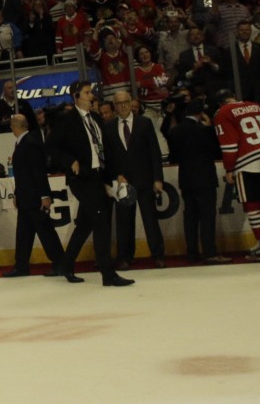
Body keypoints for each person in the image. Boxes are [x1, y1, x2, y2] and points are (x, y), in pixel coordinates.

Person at [45, 81, 133, 286]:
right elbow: (51, 146)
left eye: (91, 92)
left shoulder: (95, 118)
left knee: (85, 224)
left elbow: (106, 149)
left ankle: (66, 265)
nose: (91, 95)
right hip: (81, 178)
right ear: (76, 96)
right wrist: (69, 161)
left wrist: (116, 174)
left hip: (98, 176)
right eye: (86, 92)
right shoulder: (66, 120)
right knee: (101, 221)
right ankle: (108, 274)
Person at [213, 90, 260, 261]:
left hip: (246, 162)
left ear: (219, 103)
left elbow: (229, 143)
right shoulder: (254, 105)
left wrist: (229, 168)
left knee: (253, 205)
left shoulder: (222, 113)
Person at [104, 91, 165, 269]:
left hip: (145, 180)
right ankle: (125, 257)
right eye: (119, 103)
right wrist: (115, 177)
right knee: (124, 222)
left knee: (150, 220)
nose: (122, 106)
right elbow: (108, 158)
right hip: (122, 182)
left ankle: (158, 255)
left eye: (125, 102)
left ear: (131, 103)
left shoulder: (144, 123)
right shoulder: (108, 128)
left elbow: (154, 152)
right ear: (114, 106)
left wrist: (158, 178)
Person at [167, 100, 231, 264]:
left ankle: (192, 253)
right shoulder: (204, 131)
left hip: (186, 179)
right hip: (205, 178)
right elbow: (217, 152)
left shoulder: (176, 131)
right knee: (207, 217)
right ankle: (209, 252)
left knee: (190, 217)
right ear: (201, 113)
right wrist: (210, 128)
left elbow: (173, 157)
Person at [2, 114, 65, 277]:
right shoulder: (25, 142)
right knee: (23, 233)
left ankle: (60, 263)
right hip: (26, 197)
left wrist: (44, 196)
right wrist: (17, 194)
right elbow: (24, 174)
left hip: (34, 198)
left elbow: (38, 172)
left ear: (14, 127)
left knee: (45, 231)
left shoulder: (30, 143)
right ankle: (21, 266)